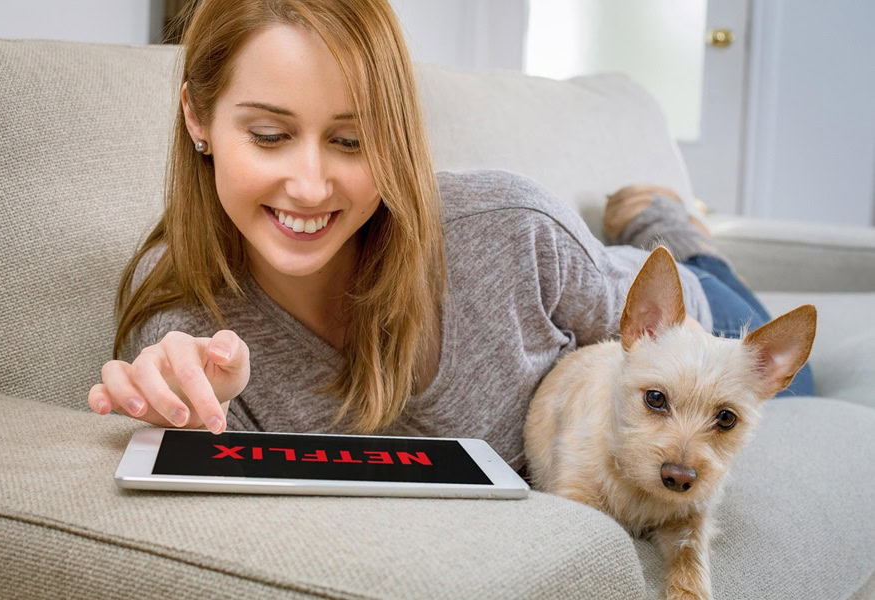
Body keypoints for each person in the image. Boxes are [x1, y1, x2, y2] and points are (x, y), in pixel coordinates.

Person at [87, 0, 813, 481]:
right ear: (198, 119)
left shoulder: (510, 228)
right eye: (270, 136)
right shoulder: (183, 338)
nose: (309, 185)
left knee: (785, 366)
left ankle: (672, 226)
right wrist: (186, 431)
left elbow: (662, 341)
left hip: (682, 315)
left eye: (351, 139)